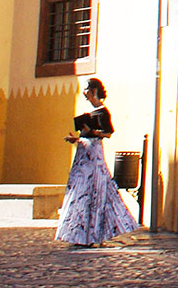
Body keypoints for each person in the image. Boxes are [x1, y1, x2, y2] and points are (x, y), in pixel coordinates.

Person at [55, 78, 139, 245]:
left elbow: (107, 133)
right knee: (80, 192)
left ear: (93, 90)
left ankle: (92, 234)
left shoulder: (103, 112)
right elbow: (86, 136)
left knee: (94, 190)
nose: (85, 92)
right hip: (83, 154)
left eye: (87, 89)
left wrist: (91, 131)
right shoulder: (88, 111)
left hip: (93, 155)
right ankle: (79, 234)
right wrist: (76, 138)